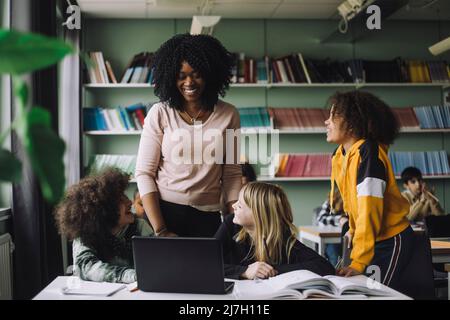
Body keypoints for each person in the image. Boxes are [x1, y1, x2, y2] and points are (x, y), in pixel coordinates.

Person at [135, 34, 242, 238]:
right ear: (170, 77)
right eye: (181, 76)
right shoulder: (160, 113)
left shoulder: (229, 114)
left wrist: (234, 222)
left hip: (208, 216)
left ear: (211, 75)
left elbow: (232, 174)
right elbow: (144, 173)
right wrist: (161, 230)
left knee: (209, 270)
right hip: (163, 213)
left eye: (196, 74)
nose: (189, 82)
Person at [325, 91, 413, 290]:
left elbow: (368, 210)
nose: (326, 121)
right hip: (369, 241)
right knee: (363, 292)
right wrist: (353, 234)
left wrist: (358, 261)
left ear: (352, 122)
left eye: (332, 116)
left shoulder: (369, 153)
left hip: (391, 239)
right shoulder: (340, 155)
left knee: (380, 294)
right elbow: (352, 206)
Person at [214, 182, 335, 279]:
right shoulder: (231, 225)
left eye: (240, 205)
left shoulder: (282, 237)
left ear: (259, 215)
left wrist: (270, 269)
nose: (233, 206)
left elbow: (324, 266)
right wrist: (245, 271)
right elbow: (203, 263)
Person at [54, 168, 153, 283]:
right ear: (104, 209)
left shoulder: (140, 226)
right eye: (121, 199)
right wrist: (133, 276)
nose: (130, 202)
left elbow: (157, 259)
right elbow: (88, 268)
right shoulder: (85, 233)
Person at [315, 189, 347, 266]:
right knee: (335, 255)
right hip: (332, 240)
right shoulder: (331, 200)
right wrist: (340, 219)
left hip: (350, 239)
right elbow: (321, 218)